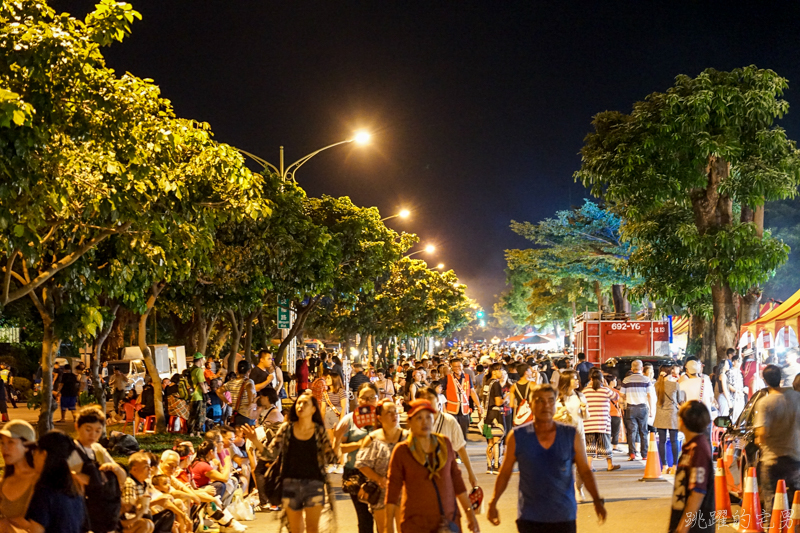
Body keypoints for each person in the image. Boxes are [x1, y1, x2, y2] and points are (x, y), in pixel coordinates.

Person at [488, 384, 607, 533]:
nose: (546, 406)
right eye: (539, 401)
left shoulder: (570, 435)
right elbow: (505, 473)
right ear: (530, 405)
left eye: (551, 401)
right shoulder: (518, 436)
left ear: (555, 404)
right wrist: (493, 502)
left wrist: (597, 500)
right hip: (530, 517)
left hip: (563, 515)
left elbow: (584, 471)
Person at [384, 399, 480, 533]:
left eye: (428, 417)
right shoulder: (402, 451)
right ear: (409, 422)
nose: (425, 422)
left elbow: (457, 481)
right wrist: (388, 526)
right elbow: (392, 491)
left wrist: (470, 514)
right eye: (419, 418)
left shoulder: (444, 443)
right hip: (416, 524)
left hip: (448, 521)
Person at [259, 391, 338, 533]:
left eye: (305, 403)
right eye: (299, 403)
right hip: (290, 484)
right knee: (295, 530)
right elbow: (270, 454)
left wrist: (336, 440)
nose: (300, 406)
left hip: (315, 484)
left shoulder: (319, 431)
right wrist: (254, 440)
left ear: (314, 409)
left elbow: (331, 459)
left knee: (313, 529)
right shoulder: (287, 429)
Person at [68, 405, 126, 533]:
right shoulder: (69, 451)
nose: (93, 435)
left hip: (102, 511)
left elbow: (122, 478)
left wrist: (115, 468)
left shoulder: (98, 449)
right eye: (88, 429)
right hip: (80, 510)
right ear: (77, 426)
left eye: (98, 431)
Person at [753, 364, 800, 515]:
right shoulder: (795, 397)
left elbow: (762, 432)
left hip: (772, 460)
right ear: (781, 377)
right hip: (794, 458)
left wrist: (758, 439)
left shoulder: (765, 403)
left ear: (765, 380)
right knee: (796, 503)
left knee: (772, 502)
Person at [355, 399, 407, 532]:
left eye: (395, 412)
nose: (394, 415)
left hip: (404, 492)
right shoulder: (372, 438)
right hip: (381, 493)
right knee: (384, 529)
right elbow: (361, 463)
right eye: (389, 413)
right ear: (379, 417)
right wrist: (378, 479)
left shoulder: (408, 437)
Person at [334, 382, 379, 533]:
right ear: (357, 399)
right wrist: (360, 443)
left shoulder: (383, 418)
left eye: (371, 398)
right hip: (356, 473)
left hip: (379, 473)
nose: (367, 401)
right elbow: (341, 447)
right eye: (363, 398)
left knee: (382, 517)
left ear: (377, 398)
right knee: (364, 517)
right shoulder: (349, 419)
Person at [416, 386, 479, 488]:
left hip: (445, 472)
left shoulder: (449, 420)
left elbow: (460, 447)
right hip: (422, 474)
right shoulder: (416, 422)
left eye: (429, 397)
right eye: (422, 399)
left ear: (437, 399)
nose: (426, 401)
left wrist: (471, 472)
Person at [25, 430, 87, 533]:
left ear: (44, 454)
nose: (33, 457)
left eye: (35, 452)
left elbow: (36, 530)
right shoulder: (76, 490)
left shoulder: (44, 493)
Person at [669, 401, 714, 533]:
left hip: (696, 528)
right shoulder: (691, 447)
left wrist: (683, 527)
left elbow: (697, 493)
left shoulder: (698, 449)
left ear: (682, 422)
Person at [0, 420, 38, 531]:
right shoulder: (3, 482)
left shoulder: (39, 480)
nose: (4, 448)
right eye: (2, 443)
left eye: (11, 442)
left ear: (27, 446)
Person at [582, 368, 621, 471]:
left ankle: (589, 466)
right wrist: (607, 386)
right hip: (602, 423)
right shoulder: (605, 390)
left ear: (590, 379)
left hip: (588, 422)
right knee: (606, 443)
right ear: (602, 379)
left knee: (589, 444)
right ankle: (610, 465)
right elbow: (616, 397)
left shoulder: (585, 391)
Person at [620, 359, 655, 461]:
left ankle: (632, 453)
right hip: (643, 408)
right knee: (643, 431)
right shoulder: (646, 380)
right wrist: (652, 409)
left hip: (630, 408)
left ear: (632, 369)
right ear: (642, 368)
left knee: (632, 432)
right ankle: (644, 455)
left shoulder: (626, 380)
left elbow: (621, 394)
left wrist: (623, 404)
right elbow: (649, 395)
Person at [442, 358, 484, 441]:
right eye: (455, 366)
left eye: (459, 366)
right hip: (451, 410)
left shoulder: (467, 377)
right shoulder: (447, 378)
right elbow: (440, 392)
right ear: (451, 367)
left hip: (464, 409)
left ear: (462, 366)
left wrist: (479, 405)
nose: (457, 368)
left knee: (463, 432)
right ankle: (453, 451)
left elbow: (472, 392)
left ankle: (461, 450)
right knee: (452, 432)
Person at [655, 365, 684, 474]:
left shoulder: (657, 385)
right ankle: (675, 466)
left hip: (660, 414)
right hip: (672, 414)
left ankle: (664, 466)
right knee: (674, 440)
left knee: (662, 441)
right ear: (669, 372)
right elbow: (679, 400)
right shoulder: (675, 385)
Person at [217, 360, 258, 426]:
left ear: (237, 370)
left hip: (236, 415)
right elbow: (249, 390)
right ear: (249, 371)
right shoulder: (249, 382)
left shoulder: (230, 383)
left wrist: (228, 402)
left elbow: (218, 391)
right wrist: (251, 403)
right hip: (247, 415)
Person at [483, 363, 506, 474]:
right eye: (500, 370)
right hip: (496, 415)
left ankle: (489, 466)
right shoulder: (496, 384)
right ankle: (497, 465)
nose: (501, 372)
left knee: (490, 442)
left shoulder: (487, 383)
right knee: (497, 441)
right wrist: (505, 398)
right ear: (494, 371)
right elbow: (498, 402)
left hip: (487, 416)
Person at [189, 353, 208, 436]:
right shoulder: (199, 370)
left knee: (192, 415)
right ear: (200, 359)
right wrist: (206, 394)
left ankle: (191, 432)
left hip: (191, 395)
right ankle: (198, 433)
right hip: (199, 396)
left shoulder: (190, 370)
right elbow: (201, 383)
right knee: (200, 415)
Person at [728, 354, 746, 422]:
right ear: (733, 362)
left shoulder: (740, 372)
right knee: (735, 416)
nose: (739, 363)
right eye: (738, 361)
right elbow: (729, 385)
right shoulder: (730, 372)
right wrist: (737, 391)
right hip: (734, 397)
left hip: (740, 397)